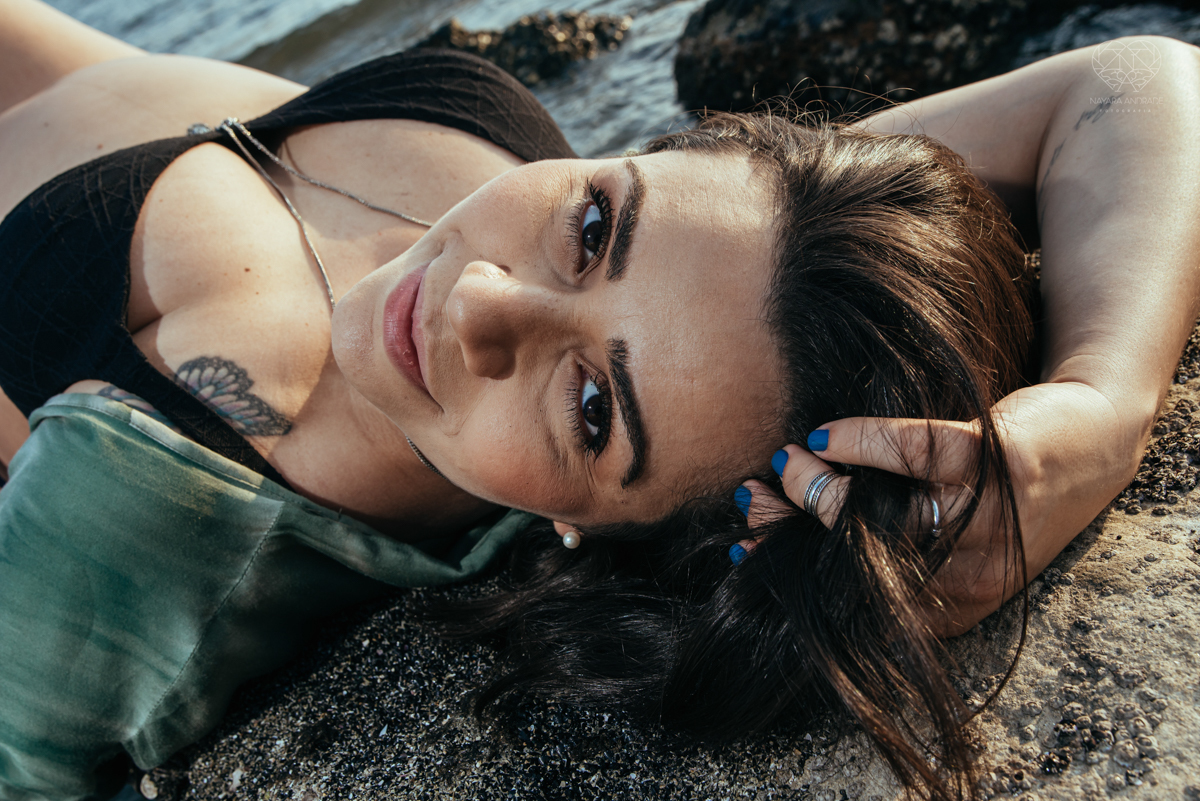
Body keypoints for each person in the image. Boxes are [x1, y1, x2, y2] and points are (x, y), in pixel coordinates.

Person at [0, 0, 1196, 798]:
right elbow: (1132, 80)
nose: (476, 302)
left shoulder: (148, 519)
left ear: (597, 528)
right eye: (593, 223)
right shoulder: (725, 274)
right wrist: (1102, 403)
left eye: (590, 413)